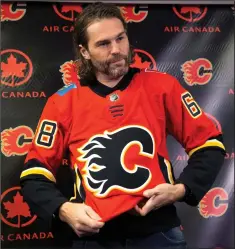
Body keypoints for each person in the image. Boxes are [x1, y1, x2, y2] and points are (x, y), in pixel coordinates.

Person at [20, 2, 226, 249]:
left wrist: (182, 189)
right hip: (94, 237)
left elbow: (210, 143)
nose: (117, 49)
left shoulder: (162, 87)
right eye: (104, 43)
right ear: (84, 51)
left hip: (158, 234)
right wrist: (63, 209)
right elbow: (34, 174)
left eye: (121, 38)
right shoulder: (63, 102)